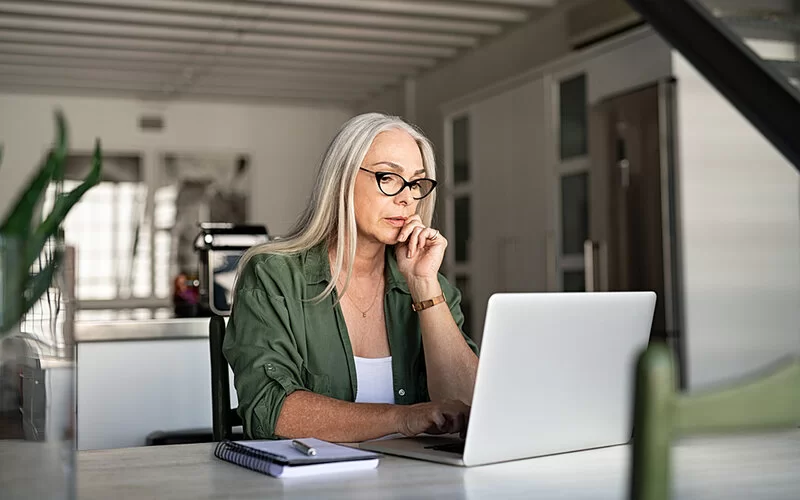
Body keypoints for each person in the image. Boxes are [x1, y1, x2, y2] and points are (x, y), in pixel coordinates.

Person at [223, 113, 479, 442]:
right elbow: (270, 410)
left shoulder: (430, 285)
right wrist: (402, 418)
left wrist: (424, 287)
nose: (407, 197)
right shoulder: (274, 275)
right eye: (388, 177)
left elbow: (472, 407)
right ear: (342, 179)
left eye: (416, 183)